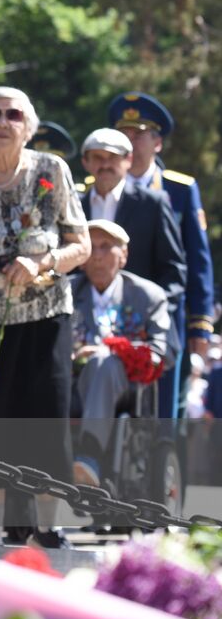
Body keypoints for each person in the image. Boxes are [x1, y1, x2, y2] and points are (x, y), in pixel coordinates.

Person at [0, 86, 89, 547]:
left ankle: (49, 528)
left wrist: (42, 263)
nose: (2, 122)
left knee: (46, 422)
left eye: (13, 114)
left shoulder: (51, 170)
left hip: (44, 316)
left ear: (28, 126)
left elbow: (82, 245)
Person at [108, 92, 214, 359]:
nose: (130, 143)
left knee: (165, 399)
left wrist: (200, 322)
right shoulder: (97, 190)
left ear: (158, 142)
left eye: (139, 134)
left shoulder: (180, 190)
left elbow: (197, 260)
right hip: (107, 315)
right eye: (124, 136)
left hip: (163, 318)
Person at [69, 219, 173, 486]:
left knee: (104, 361)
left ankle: (89, 455)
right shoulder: (66, 293)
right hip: (72, 383)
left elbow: (164, 350)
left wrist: (114, 351)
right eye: (91, 247)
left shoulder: (148, 296)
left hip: (127, 389)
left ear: (123, 255)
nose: (98, 256)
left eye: (106, 247)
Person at [77, 128, 185, 321]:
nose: (105, 164)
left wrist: (155, 314)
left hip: (141, 325)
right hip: (82, 322)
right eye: (98, 158)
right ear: (85, 162)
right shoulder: (74, 206)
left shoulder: (153, 204)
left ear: (128, 159)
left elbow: (172, 270)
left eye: (113, 157)